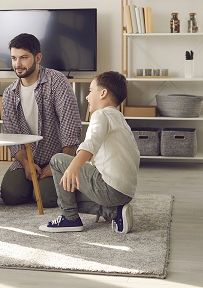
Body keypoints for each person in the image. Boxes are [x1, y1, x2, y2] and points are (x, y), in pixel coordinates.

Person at [38, 71, 140, 233]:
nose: (87, 97)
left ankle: (69, 218)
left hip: (110, 189)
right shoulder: (119, 118)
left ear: (103, 93)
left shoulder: (101, 115)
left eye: (90, 91)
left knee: (57, 160)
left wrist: (72, 167)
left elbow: (90, 145)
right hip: (124, 193)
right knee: (66, 196)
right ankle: (114, 212)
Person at [0, 33, 82, 208]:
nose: (17, 64)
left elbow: (70, 127)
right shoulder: (9, 93)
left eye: (23, 58)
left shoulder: (57, 81)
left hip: (57, 157)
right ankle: (33, 184)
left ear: (38, 58)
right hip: (27, 158)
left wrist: (58, 166)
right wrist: (27, 164)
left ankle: (62, 182)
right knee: (10, 194)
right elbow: (12, 136)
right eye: (14, 58)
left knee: (48, 199)